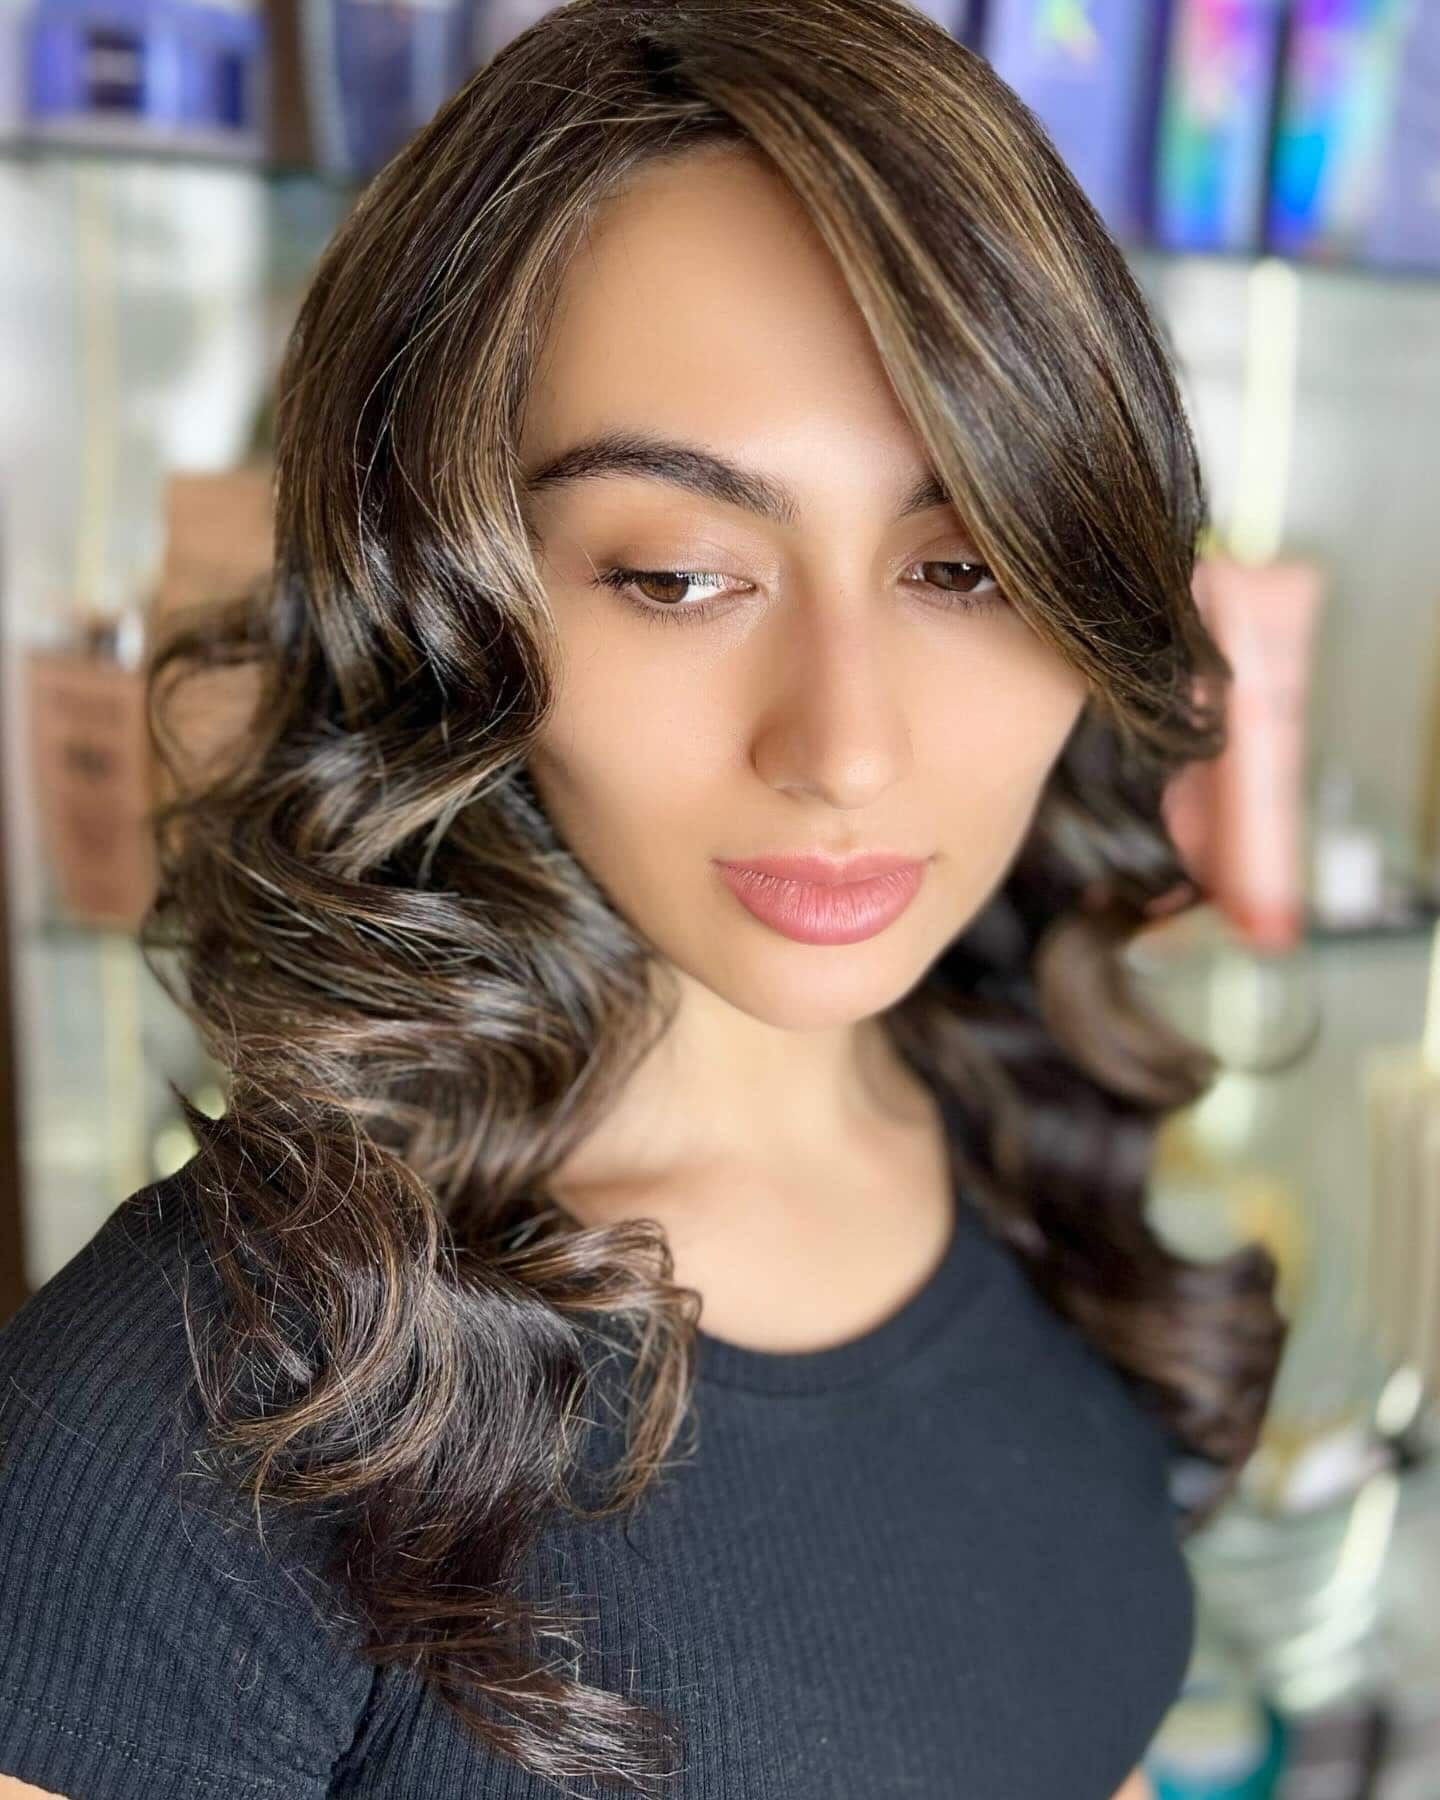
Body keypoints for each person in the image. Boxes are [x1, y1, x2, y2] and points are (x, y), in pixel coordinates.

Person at [0, 2, 1288, 1795]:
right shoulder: (194, 1424)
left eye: (966, 566)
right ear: (445, 598)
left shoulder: (1027, 1133)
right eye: (676, 576)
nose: (845, 749)